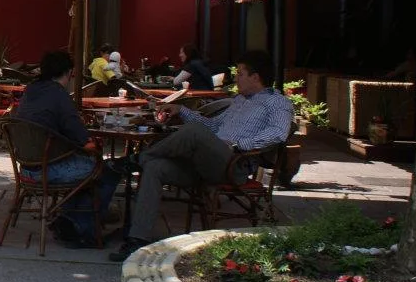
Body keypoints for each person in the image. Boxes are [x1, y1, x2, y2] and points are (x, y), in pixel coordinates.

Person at [109, 50, 294, 262]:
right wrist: (181, 110)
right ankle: (137, 240)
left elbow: (278, 133)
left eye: (240, 74)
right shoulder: (239, 101)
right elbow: (212, 126)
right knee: (155, 167)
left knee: (194, 132)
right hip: (205, 162)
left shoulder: (277, 102)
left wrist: (237, 144)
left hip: (233, 165)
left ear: (256, 77)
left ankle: (133, 161)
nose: (236, 79)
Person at [11, 49, 124, 247]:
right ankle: (82, 227)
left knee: (86, 169)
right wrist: (94, 146)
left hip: (26, 168)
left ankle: (67, 218)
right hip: (48, 169)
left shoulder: (31, 90)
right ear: (68, 72)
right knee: (104, 169)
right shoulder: (59, 95)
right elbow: (83, 139)